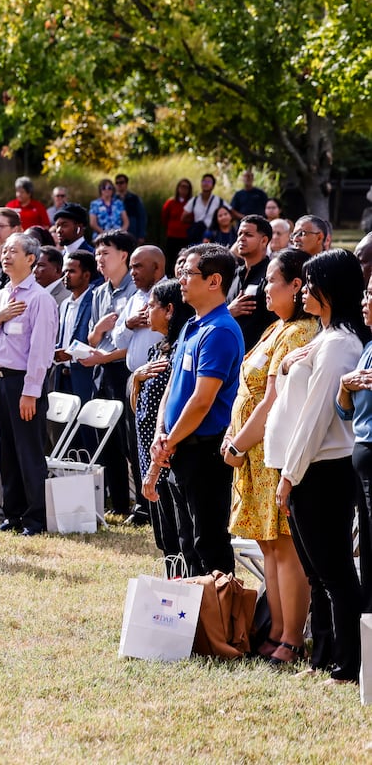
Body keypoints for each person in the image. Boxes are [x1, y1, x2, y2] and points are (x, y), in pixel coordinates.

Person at [264, 249, 369, 682]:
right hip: (306, 468)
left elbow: (315, 416)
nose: (304, 290)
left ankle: (348, 663)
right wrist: (293, 360)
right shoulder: (325, 338)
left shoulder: (342, 344)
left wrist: (289, 477)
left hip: (320, 469)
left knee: (334, 573)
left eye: (310, 283)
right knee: (316, 572)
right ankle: (323, 654)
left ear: (330, 289)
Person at [217, 249, 316, 667]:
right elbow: (247, 391)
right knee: (268, 545)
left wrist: (238, 444)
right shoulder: (275, 328)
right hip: (252, 453)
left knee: (285, 546)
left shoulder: (299, 333)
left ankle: (292, 637)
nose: (264, 289)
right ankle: (275, 628)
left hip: (270, 453)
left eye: (272, 281)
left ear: (296, 286)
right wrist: (234, 439)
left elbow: (273, 399)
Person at [150, 244, 244, 577]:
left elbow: (202, 400)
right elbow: (174, 388)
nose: (181, 280)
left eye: (189, 273)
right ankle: (194, 623)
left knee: (209, 544)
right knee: (187, 542)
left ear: (214, 281)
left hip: (204, 452)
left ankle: (220, 623)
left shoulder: (220, 331)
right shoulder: (192, 325)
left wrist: (170, 439)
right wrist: (163, 433)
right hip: (179, 448)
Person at [0, 234, 60, 535]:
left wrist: (30, 392)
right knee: (8, 453)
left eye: (14, 250)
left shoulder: (39, 299)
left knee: (28, 453)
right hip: (0, 382)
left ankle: (35, 519)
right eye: (4, 250)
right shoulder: (0, 295)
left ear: (30, 259)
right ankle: (12, 515)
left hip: (24, 384)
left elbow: (41, 352)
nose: (6, 255)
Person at [79, 230, 143, 518]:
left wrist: (104, 354)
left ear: (124, 256)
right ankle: (118, 505)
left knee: (130, 439)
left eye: (105, 253)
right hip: (100, 369)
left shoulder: (136, 291)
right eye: (97, 254)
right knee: (107, 440)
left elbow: (134, 341)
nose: (99, 259)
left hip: (124, 368)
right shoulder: (98, 292)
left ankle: (143, 505)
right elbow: (93, 339)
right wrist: (98, 330)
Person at [130, 279, 188, 560]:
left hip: (167, 451)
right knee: (163, 535)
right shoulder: (158, 350)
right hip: (147, 448)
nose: (146, 310)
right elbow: (137, 405)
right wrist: (137, 379)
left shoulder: (180, 351)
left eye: (152, 305)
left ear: (169, 310)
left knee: (178, 532)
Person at [334, 266, 372, 614]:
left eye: (371, 295)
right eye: (365, 293)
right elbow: (345, 412)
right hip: (359, 452)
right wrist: (346, 386)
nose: (365, 301)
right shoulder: (368, 346)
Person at [55, 251, 102, 405]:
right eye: (65, 271)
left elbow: (98, 341)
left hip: (85, 377)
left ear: (86, 275)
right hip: (62, 377)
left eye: (72, 271)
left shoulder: (96, 301)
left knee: (85, 428)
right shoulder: (64, 304)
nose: (66, 275)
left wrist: (72, 354)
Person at [226, 214, 274, 351]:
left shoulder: (271, 275)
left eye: (248, 234)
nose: (241, 238)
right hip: (229, 354)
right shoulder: (233, 275)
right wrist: (229, 312)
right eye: (239, 234)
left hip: (258, 358)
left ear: (264, 240)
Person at [182, 173, 225, 243]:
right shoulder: (194, 200)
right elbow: (183, 217)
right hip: (197, 234)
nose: (206, 183)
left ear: (213, 186)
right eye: (204, 181)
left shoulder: (218, 200)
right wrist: (195, 222)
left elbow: (230, 211)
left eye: (209, 182)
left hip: (212, 234)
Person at [162, 178, 194, 269]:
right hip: (172, 235)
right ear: (178, 188)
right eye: (182, 186)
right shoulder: (170, 202)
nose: (183, 189)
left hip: (186, 236)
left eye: (186, 187)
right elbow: (164, 217)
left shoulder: (192, 203)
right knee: (170, 259)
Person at [115, 173, 147, 241]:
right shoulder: (112, 199)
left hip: (132, 231)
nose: (119, 185)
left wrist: (141, 235)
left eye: (121, 182)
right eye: (117, 183)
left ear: (126, 184)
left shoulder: (134, 198)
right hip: (116, 231)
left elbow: (141, 217)